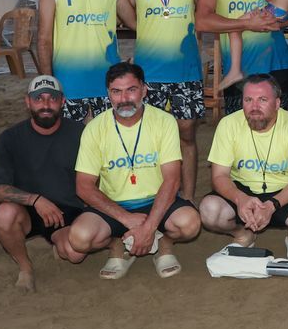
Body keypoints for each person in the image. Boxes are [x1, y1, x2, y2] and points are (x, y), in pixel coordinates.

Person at [69, 63, 201, 280]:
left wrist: (148, 227)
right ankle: (117, 245)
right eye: (116, 91)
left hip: (156, 199)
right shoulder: (94, 129)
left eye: (131, 89)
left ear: (144, 90)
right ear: (108, 94)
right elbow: (83, 187)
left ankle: (164, 244)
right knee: (79, 239)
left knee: (190, 223)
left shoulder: (164, 121)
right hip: (114, 204)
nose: (124, 99)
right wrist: (128, 219)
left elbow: (172, 180)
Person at [198, 74, 288, 258]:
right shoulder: (228, 124)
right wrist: (240, 199)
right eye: (248, 100)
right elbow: (219, 176)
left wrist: (271, 206)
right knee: (209, 211)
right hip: (243, 189)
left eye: (262, 100)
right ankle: (243, 235)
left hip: (284, 191)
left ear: (277, 103)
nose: (254, 107)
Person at [127, 0, 205, 200]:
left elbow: (202, 15)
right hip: (149, 74)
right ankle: (156, 197)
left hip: (186, 71)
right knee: (152, 139)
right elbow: (131, 18)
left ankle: (188, 199)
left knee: (187, 135)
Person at [0, 75, 87, 291]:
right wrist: (36, 200)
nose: (46, 105)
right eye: (38, 98)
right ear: (28, 102)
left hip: (67, 210)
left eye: (52, 98)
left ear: (62, 101)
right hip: (27, 210)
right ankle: (25, 267)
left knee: (75, 254)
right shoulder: (10, 138)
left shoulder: (81, 133)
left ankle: (52, 240)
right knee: (4, 215)